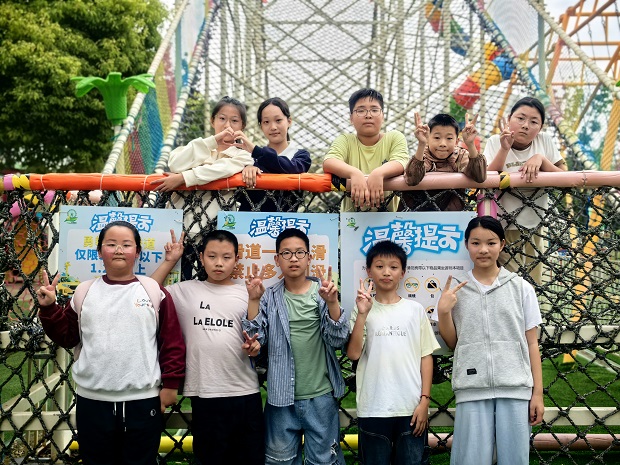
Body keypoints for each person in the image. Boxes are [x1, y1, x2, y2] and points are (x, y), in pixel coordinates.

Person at [37, 221, 186, 465]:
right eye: (111, 244)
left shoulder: (154, 292)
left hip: (143, 400)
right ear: (99, 251)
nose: (118, 250)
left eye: (126, 245)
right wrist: (49, 308)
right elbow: (68, 337)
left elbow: (172, 342)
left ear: (137, 252)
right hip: (92, 400)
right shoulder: (84, 292)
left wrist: (170, 385)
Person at [436, 216, 544, 465]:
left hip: (516, 388)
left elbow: (532, 344)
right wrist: (443, 312)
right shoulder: (456, 289)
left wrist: (537, 393)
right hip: (471, 389)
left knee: (515, 459)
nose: (483, 249)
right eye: (476, 243)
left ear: (502, 245)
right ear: (466, 245)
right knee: (470, 459)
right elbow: (453, 343)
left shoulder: (521, 288)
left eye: (491, 243)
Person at [151, 229, 264, 465]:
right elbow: (147, 292)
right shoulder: (185, 290)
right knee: (210, 457)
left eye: (226, 257)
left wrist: (255, 345)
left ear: (236, 259)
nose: (219, 263)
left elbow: (256, 334)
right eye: (212, 256)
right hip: (204, 392)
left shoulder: (247, 292)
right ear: (201, 258)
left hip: (244, 390)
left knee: (249, 458)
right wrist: (170, 261)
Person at [243, 228, 348, 465]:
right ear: (277, 259)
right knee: (279, 461)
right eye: (286, 253)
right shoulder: (269, 296)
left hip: (321, 395)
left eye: (300, 252)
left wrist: (333, 303)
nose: (293, 258)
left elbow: (338, 339)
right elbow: (256, 336)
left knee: (324, 461)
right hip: (280, 398)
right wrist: (253, 300)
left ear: (309, 257)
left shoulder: (322, 293)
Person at [347, 240, 440, 465]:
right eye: (379, 266)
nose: (386, 272)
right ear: (369, 271)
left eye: (393, 267)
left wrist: (424, 401)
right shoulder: (361, 309)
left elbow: (426, 356)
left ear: (403, 272)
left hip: (410, 407)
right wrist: (362, 314)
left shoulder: (415, 310)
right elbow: (353, 354)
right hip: (373, 407)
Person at [151, 95, 254, 279]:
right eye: (222, 118)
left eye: (234, 121)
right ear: (212, 120)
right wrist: (212, 141)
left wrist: (183, 178)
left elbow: (220, 169)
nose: (227, 125)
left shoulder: (243, 156)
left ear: (242, 126)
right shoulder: (196, 147)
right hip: (181, 229)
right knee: (177, 282)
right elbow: (175, 163)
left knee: (211, 283)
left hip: (215, 232)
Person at [483, 96, 567, 284]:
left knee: (533, 283)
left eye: (534, 122)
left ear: (541, 127)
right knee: (509, 283)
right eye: (520, 118)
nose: (525, 125)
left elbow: (565, 177)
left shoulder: (544, 141)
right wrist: (504, 149)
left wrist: (541, 159)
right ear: (509, 118)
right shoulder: (495, 141)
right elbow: (486, 177)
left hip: (536, 226)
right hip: (503, 227)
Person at [323, 88, 409, 212]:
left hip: (391, 220)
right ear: (351, 118)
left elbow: (401, 162)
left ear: (383, 116)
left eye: (374, 110)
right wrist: (354, 173)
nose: (368, 115)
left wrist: (379, 173)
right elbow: (329, 162)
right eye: (361, 110)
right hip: (351, 221)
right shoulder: (345, 140)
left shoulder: (395, 137)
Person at [233, 97, 311, 211]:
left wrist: (256, 152)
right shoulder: (249, 158)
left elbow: (290, 168)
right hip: (251, 221)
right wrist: (246, 168)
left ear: (289, 121)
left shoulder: (301, 156)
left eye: (278, 120)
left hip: (285, 221)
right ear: (261, 126)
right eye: (266, 122)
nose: (273, 127)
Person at [403, 112, 486, 211]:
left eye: (449, 138)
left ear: (456, 141)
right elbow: (412, 179)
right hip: (416, 213)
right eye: (437, 138)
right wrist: (421, 144)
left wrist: (470, 144)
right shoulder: (422, 155)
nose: (443, 144)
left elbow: (480, 176)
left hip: (452, 216)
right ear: (428, 138)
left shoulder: (460, 156)